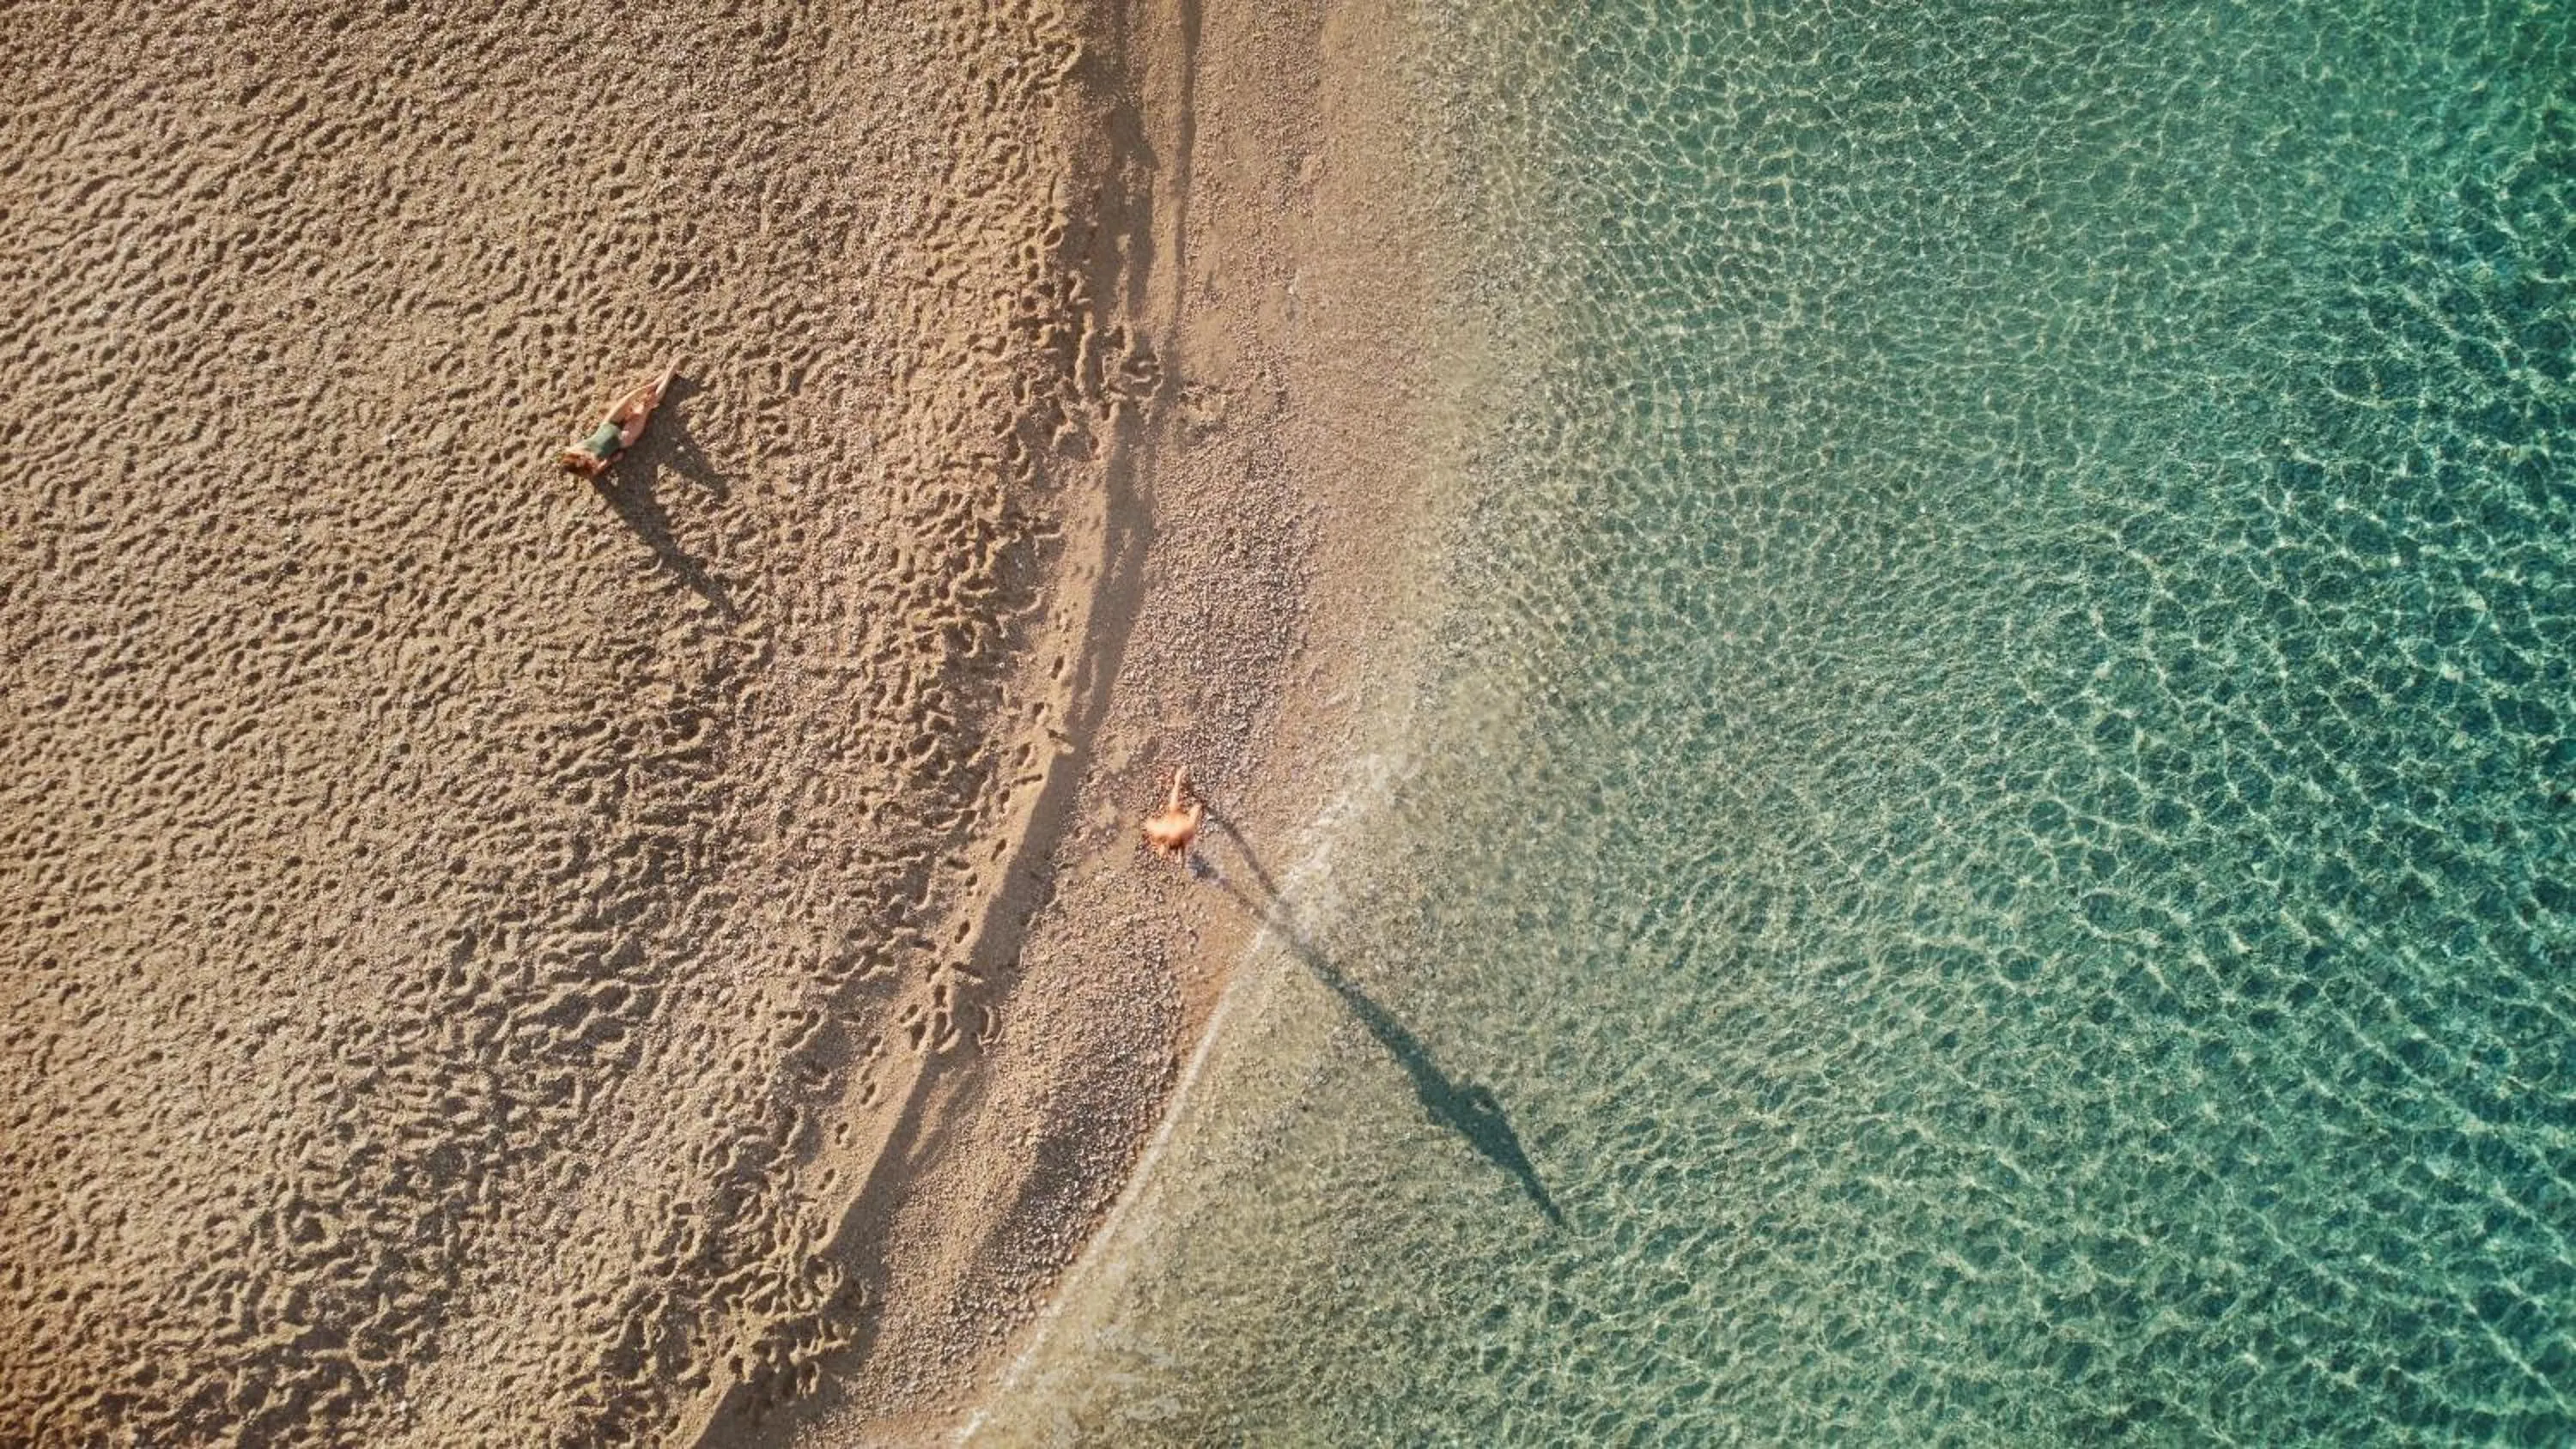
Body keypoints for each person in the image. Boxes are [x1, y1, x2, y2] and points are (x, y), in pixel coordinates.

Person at [560, 366, 678, 476]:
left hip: (607, 426)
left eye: (580, 456)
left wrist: (581, 455)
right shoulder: (590, 470)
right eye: (584, 460)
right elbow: (601, 467)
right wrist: (612, 460)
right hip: (621, 439)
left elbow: (575, 452)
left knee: (630, 397)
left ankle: (655, 383)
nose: (584, 457)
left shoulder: (575, 450)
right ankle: (669, 375)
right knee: (647, 404)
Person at [1141, 764, 1205, 863]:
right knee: (1179, 804)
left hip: (1175, 820)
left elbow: (1149, 824)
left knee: (1175, 802)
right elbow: (1183, 841)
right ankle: (1179, 779)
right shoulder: (1172, 834)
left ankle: (1178, 779)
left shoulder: (1163, 833)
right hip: (1177, 822)